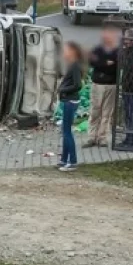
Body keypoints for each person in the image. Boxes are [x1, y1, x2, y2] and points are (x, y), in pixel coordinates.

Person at [85, 27, 120, 148]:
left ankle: (103, 137)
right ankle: (91, 137)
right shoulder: (97, 49)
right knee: (95, 111)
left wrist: (104, 65)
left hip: (111, 84)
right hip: (97, 84)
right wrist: (105, 64)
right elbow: (92, 62)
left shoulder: (117, 51)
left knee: (107, 112)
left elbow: (117, 65)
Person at [58, 42, 85, 171]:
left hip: (70, 101)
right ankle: (64, 159)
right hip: (67, 100)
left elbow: (78, 85)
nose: (64, 53)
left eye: (66, 50)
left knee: (67, 132)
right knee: (65, 131)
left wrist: (63, 89)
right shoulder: (72, 65)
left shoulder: (75, 66)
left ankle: (72, 161)